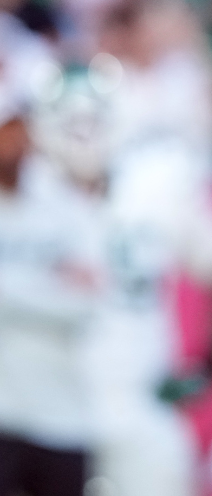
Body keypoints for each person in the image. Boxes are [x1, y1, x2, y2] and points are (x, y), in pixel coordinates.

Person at [0, 96, 102, 496]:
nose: (12, 143)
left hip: (62, 412)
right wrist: (47, 283)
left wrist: (10, 289)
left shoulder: (61, 204)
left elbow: (87, 302)